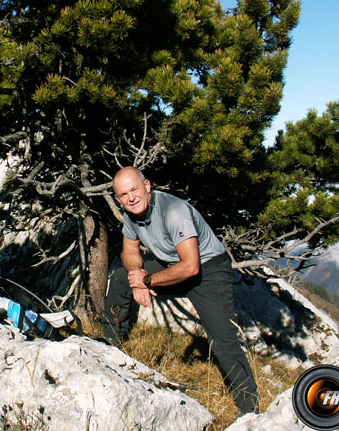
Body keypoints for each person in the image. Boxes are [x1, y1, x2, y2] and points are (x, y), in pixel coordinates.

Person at [101, 166, 259, 415]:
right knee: (121, 276)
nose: (131, 197)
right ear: (118, 199)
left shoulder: (174, 211)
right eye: (124, 194)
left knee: (223, 341)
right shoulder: (132, 215)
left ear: (147, 186)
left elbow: (191, 266)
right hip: (172, 264)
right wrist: (135, 277)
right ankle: (109, 346)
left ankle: (249, 410)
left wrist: (148, 281)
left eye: (134, 189)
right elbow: (130, 251)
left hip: (208, 271)